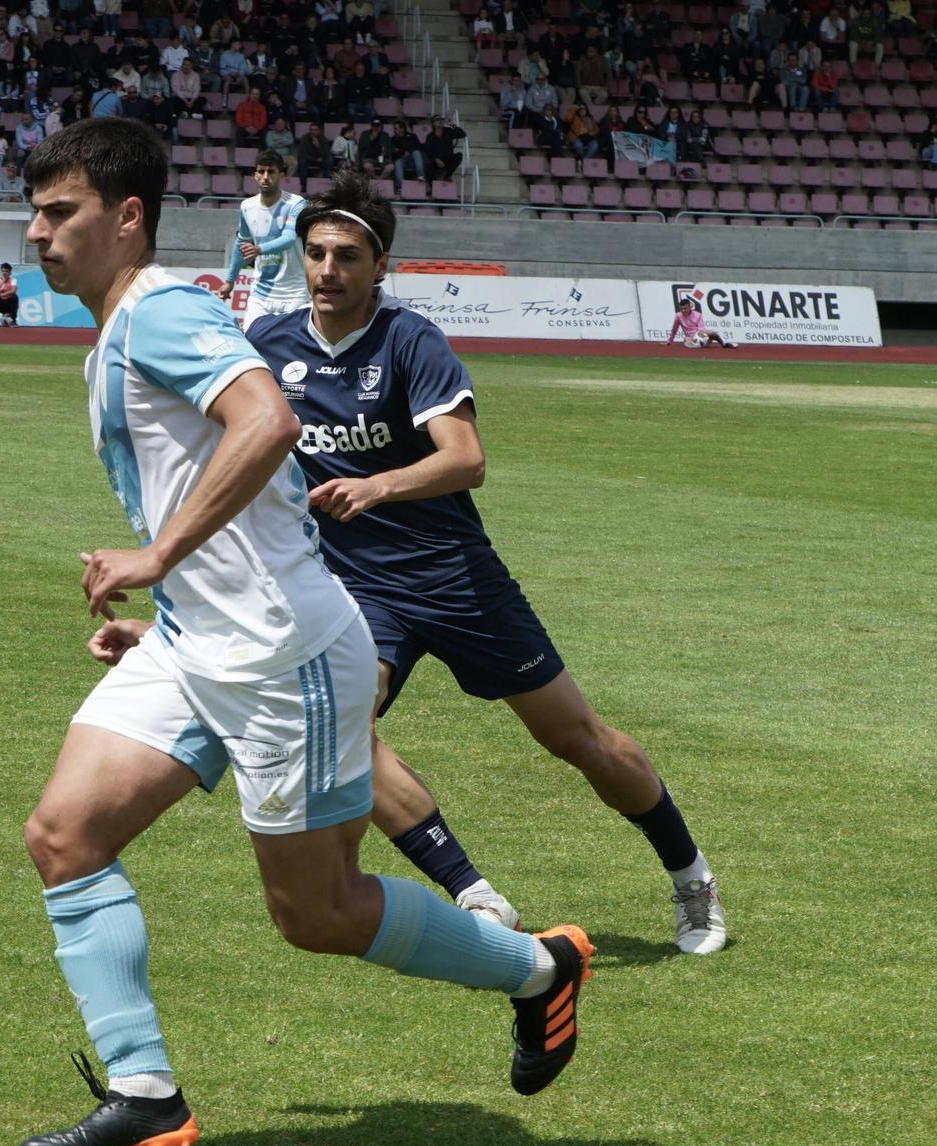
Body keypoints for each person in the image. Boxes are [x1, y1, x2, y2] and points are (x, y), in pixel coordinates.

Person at [11, 121, 598, 1146]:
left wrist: (156, 553)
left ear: (126, 216)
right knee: (63, 834)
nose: (35, 233)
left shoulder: (163, 315)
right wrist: (168, 602)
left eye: (59, 213)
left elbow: (266, 423)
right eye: (36, 212)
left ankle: (535, 969)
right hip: (196, 643)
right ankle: (144, 1094)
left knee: (316, 914)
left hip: (282, 656)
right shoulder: (119, 334)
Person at [246, 170, 725, 957]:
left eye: (347, 256)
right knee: (338, 727)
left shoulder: (410, 340)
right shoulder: (272, 345)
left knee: (581, 741)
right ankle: (476, 895)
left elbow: (466, 460)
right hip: (359, 590)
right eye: (316, 253)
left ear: (381, 265)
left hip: (455, 576)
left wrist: (378, 486)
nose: (328, 270)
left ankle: (691, 877)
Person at [217, 151, 306, 333]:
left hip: (295, 293)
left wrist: (258, 249)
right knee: (251, 341)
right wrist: (230, 281)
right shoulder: (247, 206)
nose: (265, 177)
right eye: (261, 171)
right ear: (255, 175)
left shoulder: (296, 204)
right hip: (261, 293)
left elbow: (289, 238)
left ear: (281, 175)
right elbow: (241, 243)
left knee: (293, 350)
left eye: (271, 172)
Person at [667, 296, 732, 349]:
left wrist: (699, 336)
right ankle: (696, 345)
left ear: (690, 307)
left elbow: (701, 328)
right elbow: (674, 330)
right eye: (681, 309)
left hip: (701, 336)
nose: (683, 311)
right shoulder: (678, 316)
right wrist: (669, 341)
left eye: (685, 308)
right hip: (691, 339)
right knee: (686, 339)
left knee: (711, 332)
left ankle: (724, 344)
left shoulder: (698, 315)